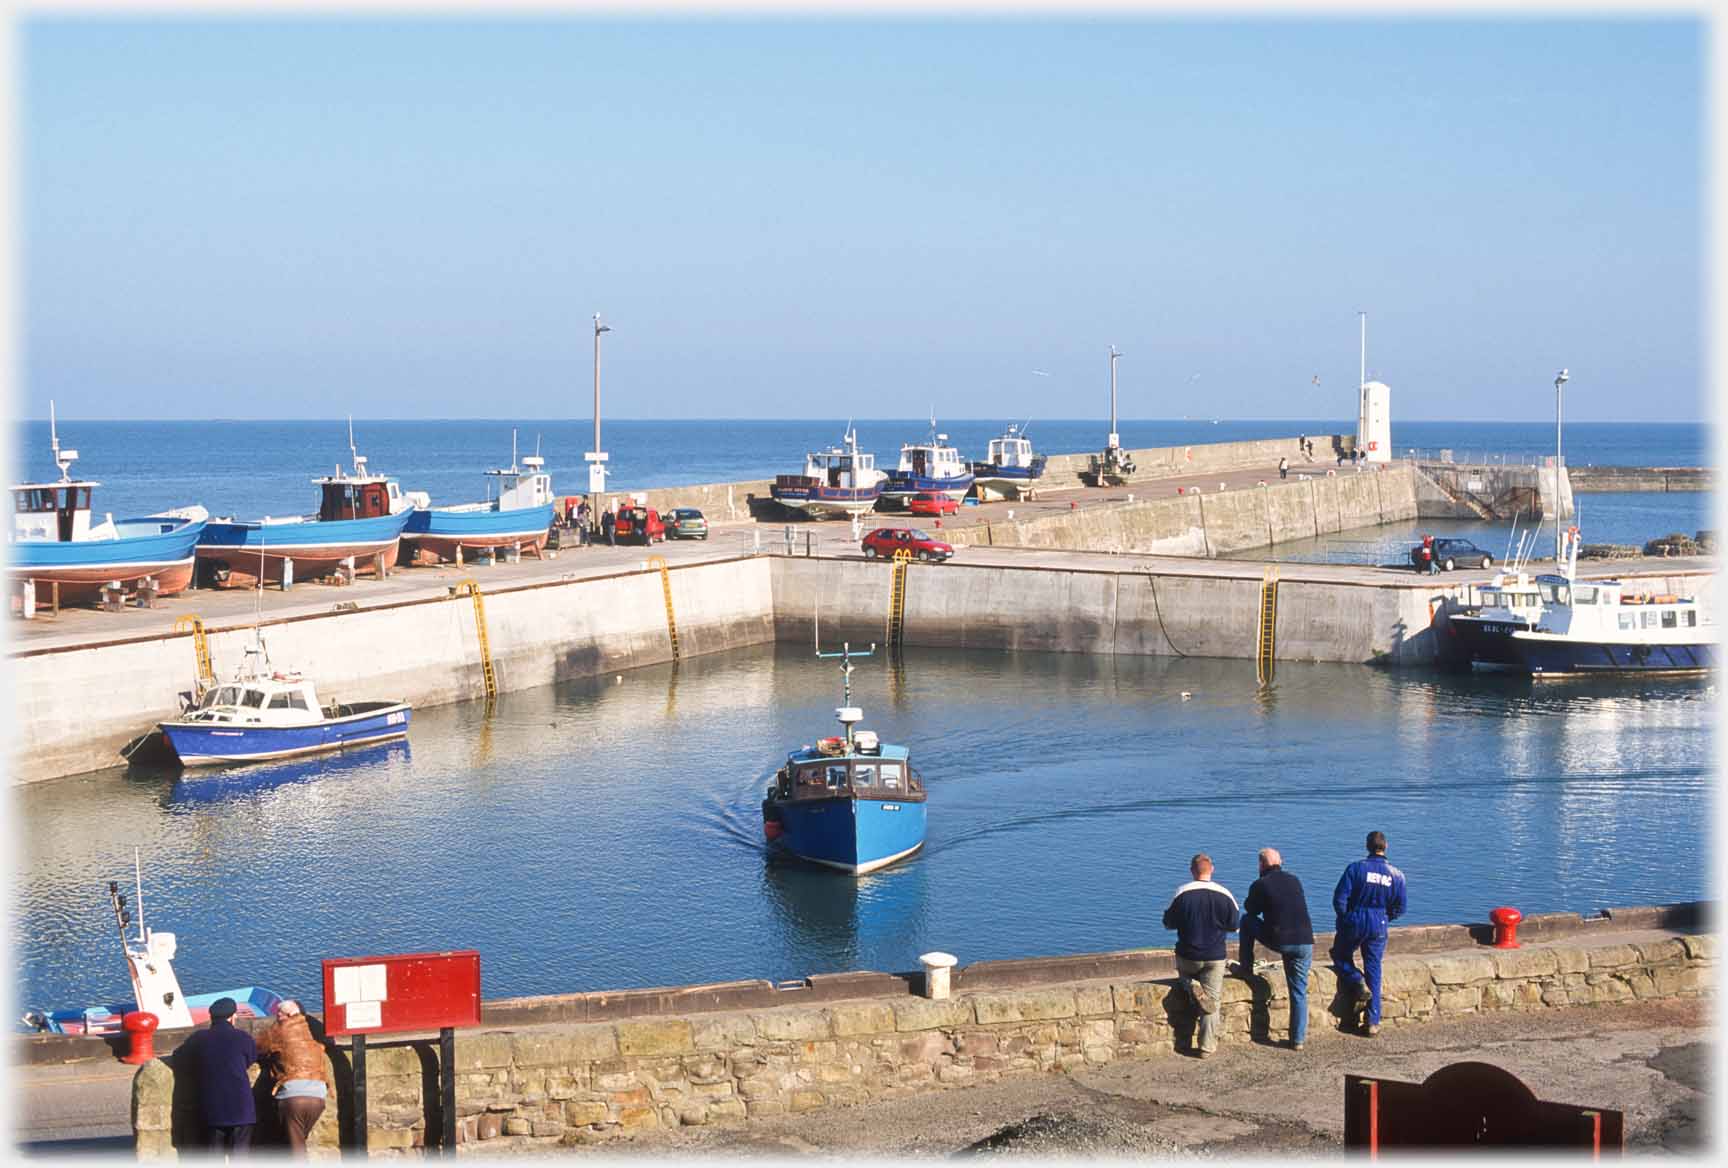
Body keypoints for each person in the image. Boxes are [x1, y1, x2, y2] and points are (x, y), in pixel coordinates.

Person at [1233, 848, 1315, 1050]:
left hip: (1281, 940)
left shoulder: (1261, 884)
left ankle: (1246, 968)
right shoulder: (1295, 880)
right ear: (1281, 862)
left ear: (1261, 865)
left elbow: (1251, 910)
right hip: (1305, 941)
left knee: (1246, 921)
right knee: (1298, 991)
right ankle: (1298, 1040)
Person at [1161, 853, 1240, 1058]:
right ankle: (1206, 1047)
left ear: (1192, 871)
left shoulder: (1182, 893)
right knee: (1212, 1000)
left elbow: (1168, 923)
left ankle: (1189, 983)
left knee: (1184, 974)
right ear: (1211, 869)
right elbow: (1234, 925)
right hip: (1215, 956)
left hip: (1188, 954)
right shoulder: (1225, 894)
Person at [1332, 830, 1408, 1037]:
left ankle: (1356, 979)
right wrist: (1384, 918)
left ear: (1367, 846)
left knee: (1339, 955)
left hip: (1356, 918)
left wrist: (1346, 918)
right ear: (1386, 846)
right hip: (1379, 922)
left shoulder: (1356, 869)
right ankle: (1373, 1022)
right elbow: (1400, 908)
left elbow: (1339, 899)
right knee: (1374, 968)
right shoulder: (1397, 875)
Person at [175, 996, 259, 1154]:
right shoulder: (243, 1038)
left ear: (211, 1017)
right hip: (241, 1109)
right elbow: (252, 1058)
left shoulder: (199, 1039)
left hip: (212, 1108)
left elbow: (179, 1057)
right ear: (232, 1017)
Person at [255, 1000, 333, 1157]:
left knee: (294, 1149)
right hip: (318, 1096)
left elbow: (257, 1047)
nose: (276, 1017)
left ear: (288, 1015)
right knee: (296, 1142)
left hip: (293, 1096)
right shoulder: (314, 1026)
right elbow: (329, 1042)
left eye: (279, 1014)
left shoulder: (277, 1030)